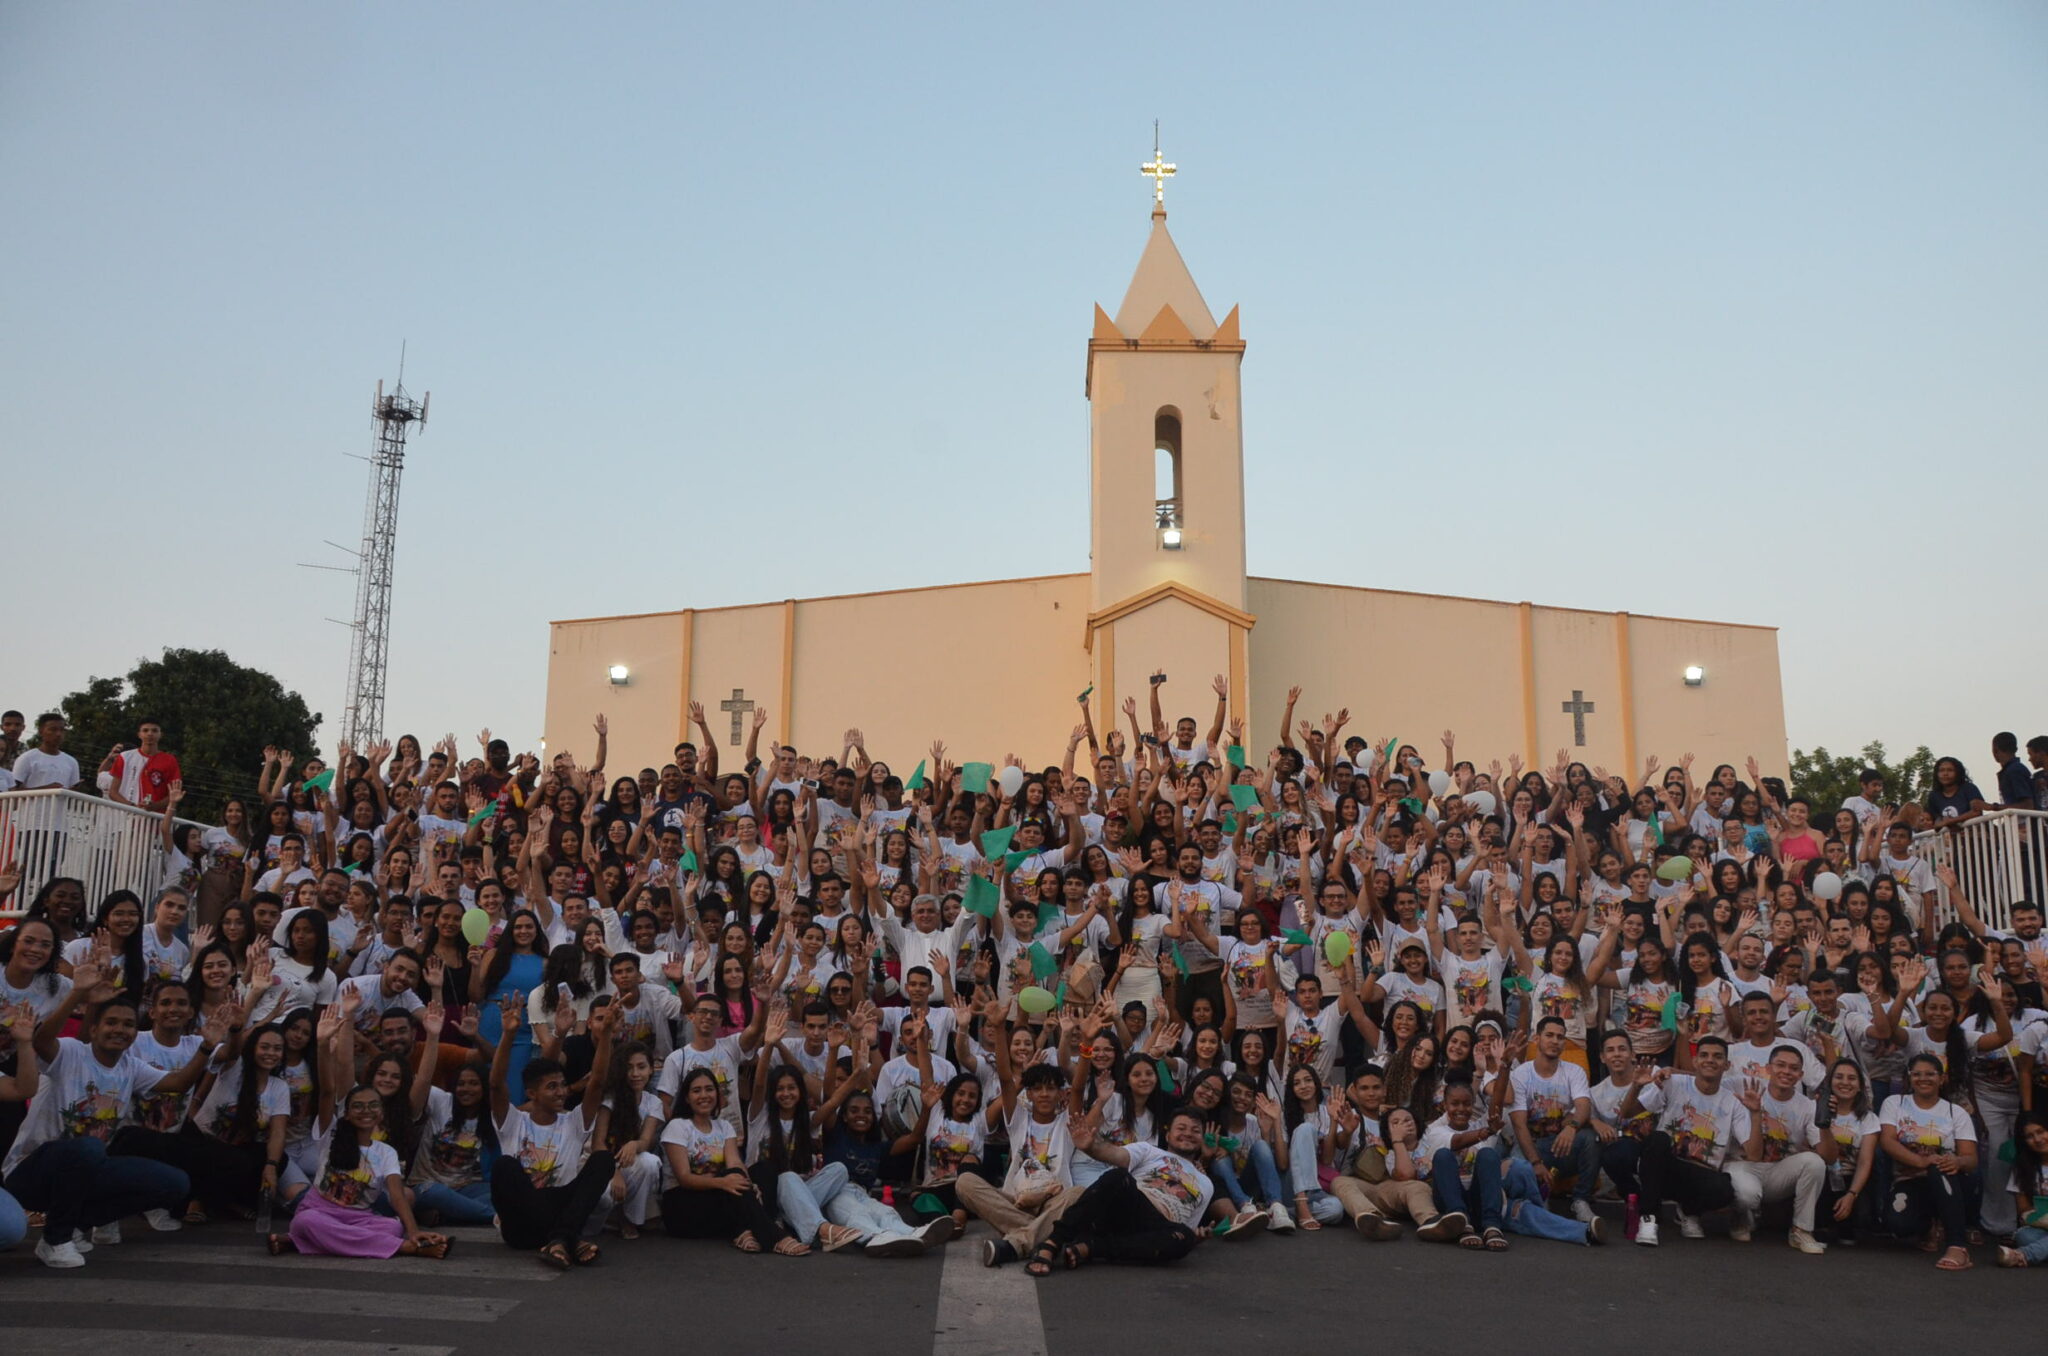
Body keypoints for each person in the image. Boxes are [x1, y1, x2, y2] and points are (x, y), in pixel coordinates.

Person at [2, 960, 230, 1268]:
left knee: (174, 1183)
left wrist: (206, 1047)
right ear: (94, 1029)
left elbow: (178, 1084)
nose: (119, 1030)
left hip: (86, 1170)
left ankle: (78, 1223)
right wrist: (78, 993)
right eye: (111, 1023)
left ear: (135, 1033)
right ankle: (55, 1240)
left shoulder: (130, 1067)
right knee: (88, 1148)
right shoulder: (71, 1052)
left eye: (127, 1025)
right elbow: (42, 1041)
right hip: (30, 1172)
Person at [489, 995, 620, 1267]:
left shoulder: (572, 1122)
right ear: (531, 1093)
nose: (561, 1092)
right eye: (552, 1087)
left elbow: (597, 1082)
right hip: (521, 1227)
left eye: (562, 1085)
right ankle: (568, 1239)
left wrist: (606, 1033)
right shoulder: (514, 1121)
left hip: (561, 1212)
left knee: (602, 1160)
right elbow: (496, 1084)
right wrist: (508, 1035)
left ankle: (561, 1240)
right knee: (504, 1166)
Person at [1039, 1106, 1217, 1271]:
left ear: (1202, 1139)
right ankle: (1053, 1243)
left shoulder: (1206, 1183)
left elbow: (1187, 1228)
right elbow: (1115, 1154)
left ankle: (1092, 1247)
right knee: (1118, 1176)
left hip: (1159, 1227)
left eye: (1195, 1131)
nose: (1188, 1134)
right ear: (1168, 1135)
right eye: (1181, 1128)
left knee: (1184, 1238)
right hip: (1130, 1208)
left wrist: (1196, 1237)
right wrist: (1091, 1147)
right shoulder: (1150, 1151)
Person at [1624, 1036, 1762, 1247]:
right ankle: (1649, 1218)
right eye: (1704, 1055)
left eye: (1717, 1056)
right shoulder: (1674, 1083)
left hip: (1701, 1173)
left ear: (1727, 1065)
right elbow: (1627, 1112)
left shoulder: (1733, 1102)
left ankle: (1689, 1211)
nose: (1710, 1060)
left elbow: (1753, 1154)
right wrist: (1635, 1086)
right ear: (1695, 1061)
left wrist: (1756, 1114)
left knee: (1724, 1190)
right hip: (1665, 1166)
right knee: (1659, 1139)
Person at [1723, 1043, 1829, 1253]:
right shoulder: (1745, 1085)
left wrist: (1826, 1122)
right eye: (1781, 1065)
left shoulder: (1807, 1105)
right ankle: (1740, 1216)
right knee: (1748, 1194)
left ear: (1801, 1075)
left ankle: (1801, 1230)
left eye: (1793, 1068)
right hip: (1742, 1165)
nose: (1786, 1072)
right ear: (1769, 1068)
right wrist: (1672, 1072)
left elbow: (1827, 1156)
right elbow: (1707, 1082)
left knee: (1815, 1162)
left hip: (1778, 1171)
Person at [1878, 1051, 1977, 1271]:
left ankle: (1957, 1246)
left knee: (1938, 1166)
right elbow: (1887, 1141)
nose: (1923, 1079)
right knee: (1898, 1224)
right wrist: (1920, 1161)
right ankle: (1929, 1225)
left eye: (1930, 1074)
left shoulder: (1956, 1112)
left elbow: (1971, 1158)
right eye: (1917, 1074)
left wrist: (1957, 1162)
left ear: (1942, 1079)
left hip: (1949, 1181)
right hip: (1909, 1180)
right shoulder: (1894, 1103)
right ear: (1909, 1078)